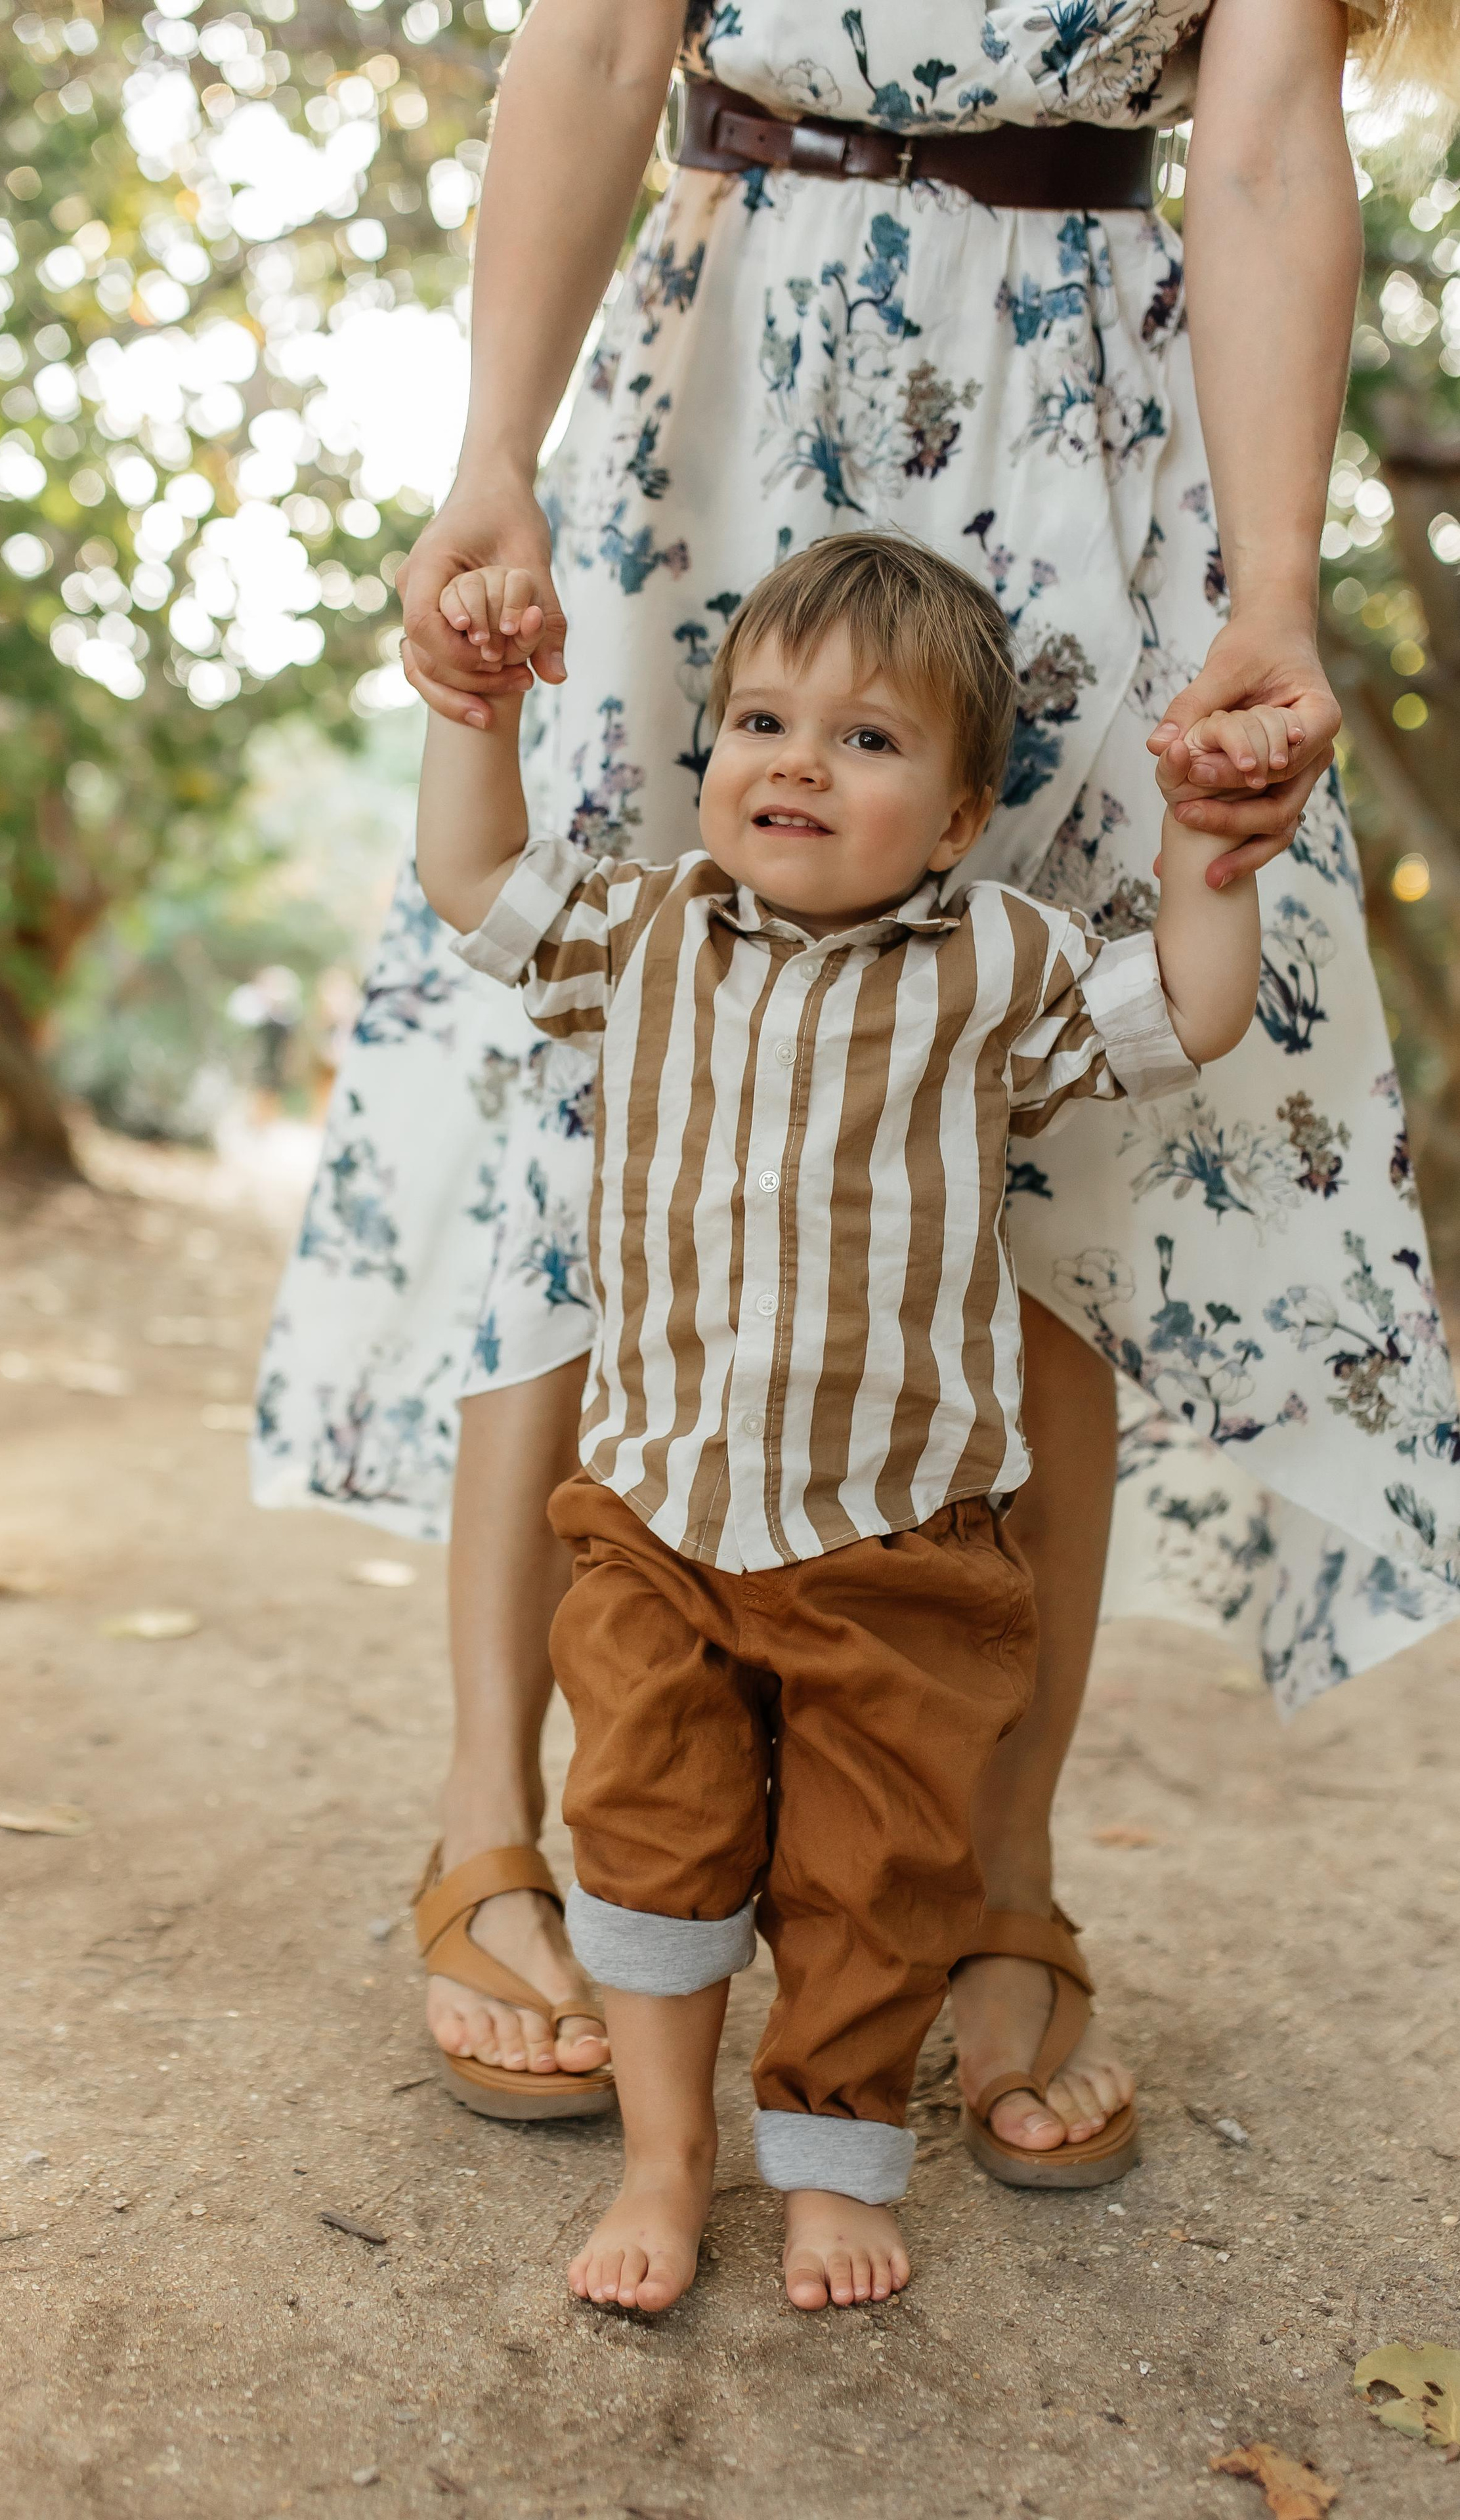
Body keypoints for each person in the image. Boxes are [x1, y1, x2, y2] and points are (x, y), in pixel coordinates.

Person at [253, 0, 1460, 2154]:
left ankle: (994, 1874)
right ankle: (492, 1827)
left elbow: (1268, 134)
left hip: (1091, 413)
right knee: (592, 1084)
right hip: (719, 371)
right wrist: (494, 456)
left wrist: (1274, 584)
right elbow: (605, 46)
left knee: (1056, 1167)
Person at [415, 530, 1263, 2310]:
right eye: (761, 721)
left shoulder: (997, 963)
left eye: (869, 743)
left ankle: (835, 2156)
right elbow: (474, 874)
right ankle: (668, 2156)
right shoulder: (638, 931)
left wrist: (1208, 851)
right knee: (648, 1832)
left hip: (902, 1543)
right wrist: (473, 708)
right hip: (655, 1514)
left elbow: (1185, 1013)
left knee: (879, 1870)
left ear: (960, 821)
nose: (795, 761)